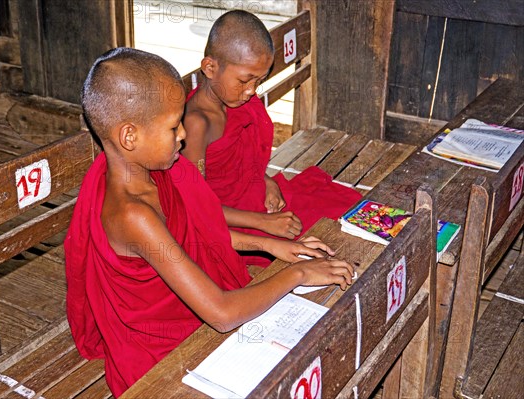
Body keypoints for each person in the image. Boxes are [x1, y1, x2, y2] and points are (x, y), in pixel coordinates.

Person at [65, 47, 355, 397]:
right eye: (173, 127)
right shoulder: (132, 214)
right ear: (130, 137)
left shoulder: (153, 171)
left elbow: (199, 232)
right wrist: (299, 274)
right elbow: (220, 313)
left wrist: (268, 244)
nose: (183, 136)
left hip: (198, 306)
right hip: (164, 351)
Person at [183, 10, 362, 266]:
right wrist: (263, 223)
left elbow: (239, 163)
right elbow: (197, 209)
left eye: (259, 81)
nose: (251, 91)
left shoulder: (235, 99)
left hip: (260, 200)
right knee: (326, 248)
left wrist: (266, 180)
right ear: (210, 67)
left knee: (350, 211)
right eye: (245, 80)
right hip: (230, 227)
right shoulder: (196, 124)